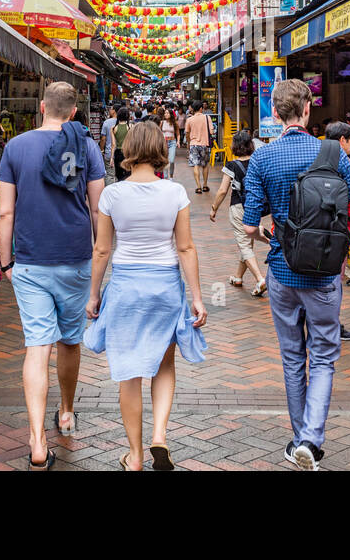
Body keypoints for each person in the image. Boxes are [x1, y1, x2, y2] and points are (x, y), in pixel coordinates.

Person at [243, 78, 350, 469]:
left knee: (293, 356)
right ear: (309, 110)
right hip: (326, 274)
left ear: (275, 114)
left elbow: (248, 225)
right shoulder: (332, 153)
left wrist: (274, 231)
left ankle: (300, 438)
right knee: (325, 355)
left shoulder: (262, 158)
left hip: (281, 269)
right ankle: (311, 440)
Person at [0, 82, 107, 470]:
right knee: (69, 341)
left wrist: (5, 260)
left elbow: (5, 213)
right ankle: (66, 410)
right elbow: (99, 210)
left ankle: (37, 440)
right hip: (75, 258)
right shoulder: (88, 147)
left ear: (42, 107)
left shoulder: (15, 147)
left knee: (37, 345)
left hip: (29, 260)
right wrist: (99, 255)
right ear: (74, 112)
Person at [85, 122, 206, 471]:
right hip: (166, 286)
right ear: (160, 149)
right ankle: (160, 436)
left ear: (128, 149)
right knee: (164, 363)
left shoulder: (112, 194)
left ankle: (135, 456)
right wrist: (197, 297)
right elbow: (185, 247)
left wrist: (93, 296)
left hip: (125, 288)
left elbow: (102, 251)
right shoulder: (176, 192)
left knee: (129, 373)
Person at [210, 129, 266, 296]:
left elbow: (222, 191)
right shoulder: (258, 162)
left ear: (235, 146)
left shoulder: (232, 165)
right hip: (254, 207)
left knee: (244, 243)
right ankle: (238, 277)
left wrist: (214, 208)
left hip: (238, 207)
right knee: (247, 242)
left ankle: (259, 279)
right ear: (250, 145)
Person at [326, 120, 350, 288]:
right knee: (334, 274)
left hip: (314, 221)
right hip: (337, 223)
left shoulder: (315, 152)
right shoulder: (341, 157)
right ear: (342, 140)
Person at [184, 100, 211, 194]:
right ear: (201, 108)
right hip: (204, 144)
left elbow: (187, 133)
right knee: (205, 165)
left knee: (195, 165)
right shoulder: (207, 118)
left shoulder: (189, 120)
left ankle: (198, 186)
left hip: (193, 144)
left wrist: (189, 142)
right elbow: (211, 132)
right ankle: (205, 185)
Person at [110, 108, 131, 181]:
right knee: (128, 174)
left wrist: (111, 158)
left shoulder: (113, 128)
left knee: (119, 176)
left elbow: (113, 144)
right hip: (128, 153)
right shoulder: (130, 127)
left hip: (118, 153)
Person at [100, 104, 120, 183]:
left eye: (111, 109)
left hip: (108, 153)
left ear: (114, 111)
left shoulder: (107, 122)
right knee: (119, 175)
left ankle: (110, 193)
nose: (109, 110)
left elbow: (103, 138)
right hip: (120, 153)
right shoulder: (123, 122)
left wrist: (102, 150)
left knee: (109, 175)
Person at [160, 107, 180, 180]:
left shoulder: (175, 123)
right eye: (165, 113)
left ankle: (171, 176)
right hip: (164, 143)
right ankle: (165, 177)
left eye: (167, 113)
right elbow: (159, 132)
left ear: (171, 114)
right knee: (165, 160)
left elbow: (178, 134)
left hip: (172, 142)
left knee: (171, 160)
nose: (166, 114)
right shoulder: (162, 122)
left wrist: (178, 141)